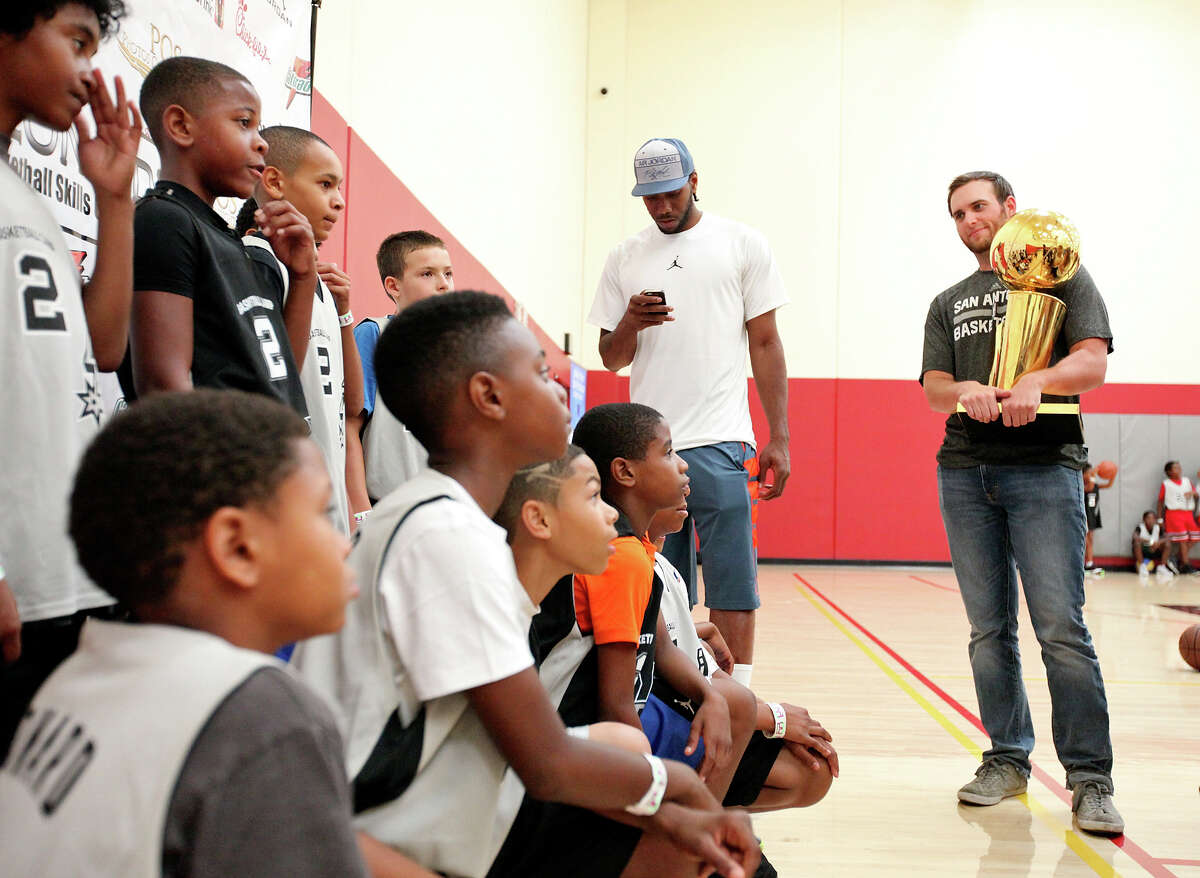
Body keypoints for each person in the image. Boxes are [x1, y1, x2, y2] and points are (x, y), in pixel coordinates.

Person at [291, 291, 760, 878]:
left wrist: (670, 804)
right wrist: (680, 797)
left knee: (652, 794)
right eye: (541, 374)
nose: (561, 389)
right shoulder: (446, 537)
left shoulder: (454, 522)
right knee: (674, 826)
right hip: (374, 826)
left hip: (434, 792)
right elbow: (546, 762)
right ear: (489, 397)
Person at [0, 390, 375, 877]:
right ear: (236, 547)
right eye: (324, 514)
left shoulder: (69, 684)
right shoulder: (264, 716)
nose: (344, 544)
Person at [920, 170, 1122, 835]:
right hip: (965, 472)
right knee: (987, 630)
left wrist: (1040, 378)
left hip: (1045, 470)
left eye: (979, 206)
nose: (969, 220)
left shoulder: (1064, 275)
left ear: (1010, 208)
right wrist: (966, 390)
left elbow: (1091, 363)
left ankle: (1091, 780)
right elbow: (934, 388)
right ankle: (1006, 758)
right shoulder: (949, 299)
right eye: (957, 213)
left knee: (1061, 630)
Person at [589, 138, 791, 684]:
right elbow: (611, 358)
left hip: (722, 437)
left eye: (670, 193)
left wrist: (780, 437)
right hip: (647, 446)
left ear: (695, 181)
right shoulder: (624, 257)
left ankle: (741, 696)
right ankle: (678, 691)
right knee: (660, 580)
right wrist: (630, 321)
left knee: (732, 582)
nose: (661, 207)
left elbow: (766, 343)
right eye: (650, 198)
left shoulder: (742, 243)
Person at [0, 0, 141, 762]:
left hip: (62, 577)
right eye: (76, 42)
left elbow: (104, 346)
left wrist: (112, 199)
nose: (91, 73)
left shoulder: (24, 195)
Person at [120, 56, 313, 414]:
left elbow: (280, 378)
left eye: (259, 128)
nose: (262, 144)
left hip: (266, 461)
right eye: (244, 123)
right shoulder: (164, 219)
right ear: (180, 126)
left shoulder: (226, 238)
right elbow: (165, 391)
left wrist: (303, 276)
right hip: (218, 466)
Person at [647, 501, 837, 816]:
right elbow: (662, 674)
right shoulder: (629, 567)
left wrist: (765, 715)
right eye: (667, 453)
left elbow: (681, 658)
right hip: (655, 720)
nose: (684, 470)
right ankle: (694, 829)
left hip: (683, 706)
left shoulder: (663, 568)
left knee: (814, 771)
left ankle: (703, 819)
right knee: (805, 769)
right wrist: (772, 718)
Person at [236, 125, 365, 535]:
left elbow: (353, 405)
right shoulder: (257, 261)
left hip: (328, 512)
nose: (339, 201)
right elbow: (277, 384)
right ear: (274, 182)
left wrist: (344, 316)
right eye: (325, 184)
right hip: (283, 512)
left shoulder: (318, 282)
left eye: (339, 187)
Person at [353, 231, 454, 504]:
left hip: (441, 509)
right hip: (384, 504)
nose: (443, 284)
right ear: (393, 286)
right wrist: (360, 508)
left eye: (448, 273)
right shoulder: (374, 335)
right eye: (427, 274)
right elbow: (350, 428)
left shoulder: (458, 352)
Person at [1156, 461, 1197, 574]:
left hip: (1188, 513)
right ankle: (1186, 565)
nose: (1179, 469)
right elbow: (1160, 502)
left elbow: (1196, 493)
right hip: (1174, 514)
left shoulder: (1186, 481)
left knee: (1196, 536)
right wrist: (1160, 519)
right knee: (1182, 540)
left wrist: (1192, 493)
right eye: (1176, 468)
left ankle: (1175, 558)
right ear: (1169, 472)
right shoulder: (1166, 483)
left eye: (1179, 467)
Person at [1082, 462, 1114, 577]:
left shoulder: (1094, 484)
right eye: (1089, 473)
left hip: (1093, 515)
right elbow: (1089, 487)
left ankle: (1089, 563)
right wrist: (1093, 475)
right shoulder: (1083, 485)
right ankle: (1085, 563)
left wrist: (1113, 473)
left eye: (1091, 473)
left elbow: (1109, 485)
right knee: (1086, 541)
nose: (1091, 474)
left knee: (1090, 540)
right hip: (1084, 514)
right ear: (1083, 474)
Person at [1132, 510, 1167, 582]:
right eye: (1148, 518)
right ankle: (1142, 566)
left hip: (1155, 550)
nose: (1151, 520)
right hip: (1144, 551)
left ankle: (1162, 567)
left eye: (1153, 518)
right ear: (1144, 519)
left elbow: (1167, 537)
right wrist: (1150, 542)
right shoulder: (1140, 527)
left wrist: (1159, 542)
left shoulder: (1158, 527)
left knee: (1167, 544)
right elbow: (1135, 536)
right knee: (1136, 543)